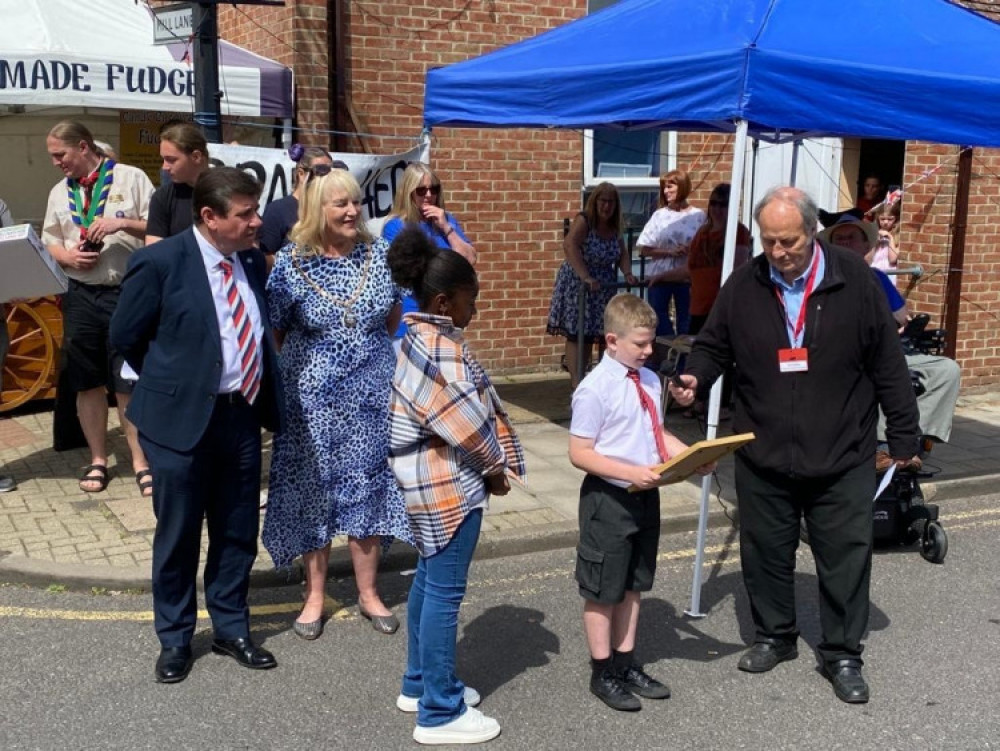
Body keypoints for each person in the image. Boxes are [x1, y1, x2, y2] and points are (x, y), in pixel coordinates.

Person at [669, 187, 920, 705]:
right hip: (765, 449)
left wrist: (903, 434)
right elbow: (713, 345)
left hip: (841, 449)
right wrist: (694, 379)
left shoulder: (857, 282)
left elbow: (888, 365)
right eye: (769, 241)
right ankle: (775, 636)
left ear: (812, 232)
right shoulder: (745, 284)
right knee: (764, 551)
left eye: (789, 241)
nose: (779, 252)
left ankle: (843, 653)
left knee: (845, 555)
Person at [110, 167, 284, 683]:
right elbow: (126, 337)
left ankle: (231, 627)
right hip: (179, 423)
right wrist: (175, 382)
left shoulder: (250, 261)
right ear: (210, 217)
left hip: (241, 418)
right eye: (245, 214)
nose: (257, 222)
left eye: (256, 211)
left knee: (236, 532)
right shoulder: (159, 262)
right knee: (179, 534)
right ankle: (176, 638)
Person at [387, 227, 525, 746]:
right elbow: (466, 424)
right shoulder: (440, 349)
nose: (477, 309)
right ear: (444, 300)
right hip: (448, 488)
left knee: (427, 581)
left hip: (423, 485)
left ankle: (418, 684)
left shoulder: (413, 336)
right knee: (445, 595)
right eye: (473, 299)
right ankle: (439, 712)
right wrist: (495, 470)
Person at [263, 169, 412, 639]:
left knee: (367, 487)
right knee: (313, 491)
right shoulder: (289, 262)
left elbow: (391, 320)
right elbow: (280, 330)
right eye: (339, 204)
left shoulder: (381, 254)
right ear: (316, 210)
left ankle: (369, 593)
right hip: (311, 400)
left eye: (355, 202)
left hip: (369, 395)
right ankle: (314, 595)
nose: (351, 212)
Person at [570, 293, 705, 712]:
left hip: (646, 496)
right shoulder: (594, 389)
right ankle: (602, 671)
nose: (650, 352)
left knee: (633, 585)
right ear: (612, 341)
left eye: (651, 343)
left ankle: (626, 664)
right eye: (641, 345)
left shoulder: (646, 379)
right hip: (609, 497)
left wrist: (691, 456)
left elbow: (655, 432)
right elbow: (580, 452)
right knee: (603, 590)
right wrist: (632, 473)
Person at [42, 121, 155, 498]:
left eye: (61, 154)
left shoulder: (131, 177)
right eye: (53, 156)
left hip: (126, 292)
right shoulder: (60, 192)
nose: (57, 162)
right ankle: (98, 459)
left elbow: (157, 229)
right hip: (82, 295)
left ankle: (141, 462)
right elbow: (50, 241)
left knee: (128, 381)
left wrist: (120, 222)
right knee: (86, 380)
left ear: (84, 146)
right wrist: (68, 256)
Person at [818, 214, 961, 463]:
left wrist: (899, 325)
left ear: (866, 246)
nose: (845, 244)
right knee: (884, 375)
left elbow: (902, 317)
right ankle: (884, 446)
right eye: (838, 239)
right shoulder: (821, 278)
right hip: (845, 354)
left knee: (947, 370)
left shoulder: (877, 277)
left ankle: (917, 439)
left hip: (889, 349)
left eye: (851, 238)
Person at [547, 182, 639, 388]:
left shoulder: (615, 226)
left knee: (603, 335)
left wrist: (628, 273)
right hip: (580, 284)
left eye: (611, 202)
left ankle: (602, 382)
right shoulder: (585, 220)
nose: (606, 206)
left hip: (603, 287)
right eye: (602, 200)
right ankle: (577, 384)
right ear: (595, 201)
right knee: (580, 335)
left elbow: (622, 252)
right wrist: (586, 276)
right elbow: (569, 245)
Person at [382, 163, 478, 345]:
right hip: (411, 318)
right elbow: (405, 275)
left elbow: (470, 259)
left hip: (446, 318)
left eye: (433, 189)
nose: (429, 195)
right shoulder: (396, 227)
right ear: (408, 192)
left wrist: (446, 228)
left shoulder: (447, 221)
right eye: (421, 190)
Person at [635, 169, 705, 337]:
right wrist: (670, 252)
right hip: (660, 276)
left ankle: (682, 361)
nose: (666, 192)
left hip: (686, 276)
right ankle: (667, 355)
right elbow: (644, 248)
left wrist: (690, 249)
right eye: (664, 188)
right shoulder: (660, 216)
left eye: (670, 187)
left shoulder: (699, 216)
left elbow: (704, 248)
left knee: (686, 321)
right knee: (658, 320)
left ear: (682, 186)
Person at [258, 145, 344, 261]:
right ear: (301, 174)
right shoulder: (278, 210)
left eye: (330, 172)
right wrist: (297, 258)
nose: (326, 178)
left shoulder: (328, 207)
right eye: (321, 172)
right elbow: (264, 257)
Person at [145, 123, 211, 244]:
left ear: (196, 157)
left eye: (171, 160)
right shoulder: (163, 198)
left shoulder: (229, 192)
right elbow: (154, 250)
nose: (164, 167)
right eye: (163, 159)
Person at [867, 200, 901, 283]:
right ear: (878, 218)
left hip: (889, 275)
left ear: (896, 219)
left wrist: (890, 238)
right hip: (873, 273)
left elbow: (893, 259)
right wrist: (875, 243)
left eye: (890, 219)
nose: (886, 222)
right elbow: (867, 260)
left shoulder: (898, 235)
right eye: (882, 219)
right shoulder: (873, 233)